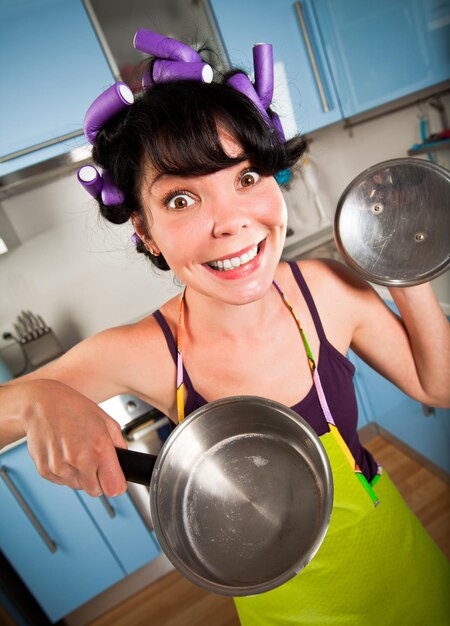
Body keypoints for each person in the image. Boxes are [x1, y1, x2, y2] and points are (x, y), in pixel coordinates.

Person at [1, 28, 449, 625]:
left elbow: (435, 386)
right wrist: (33, 400)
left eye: (245, 178)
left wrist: (404, 264)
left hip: (403, 566)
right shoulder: (150, 351)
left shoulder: (324, 290)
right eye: (182, 200)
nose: (232, 223)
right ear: (145, 231)